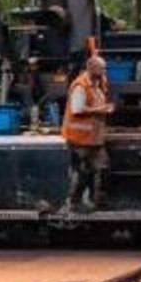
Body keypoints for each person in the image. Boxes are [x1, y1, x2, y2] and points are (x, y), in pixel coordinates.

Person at [60, 55, 113, 212]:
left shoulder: (99, 83)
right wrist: (102, 109)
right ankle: (73, 203)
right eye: (102, 68)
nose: (104, 71)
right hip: (79, 139)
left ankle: (97, 203)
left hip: (94, 139)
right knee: (84, 172)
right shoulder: (80, 86)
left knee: (102, 168)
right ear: (92, 68)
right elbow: (77, 109)